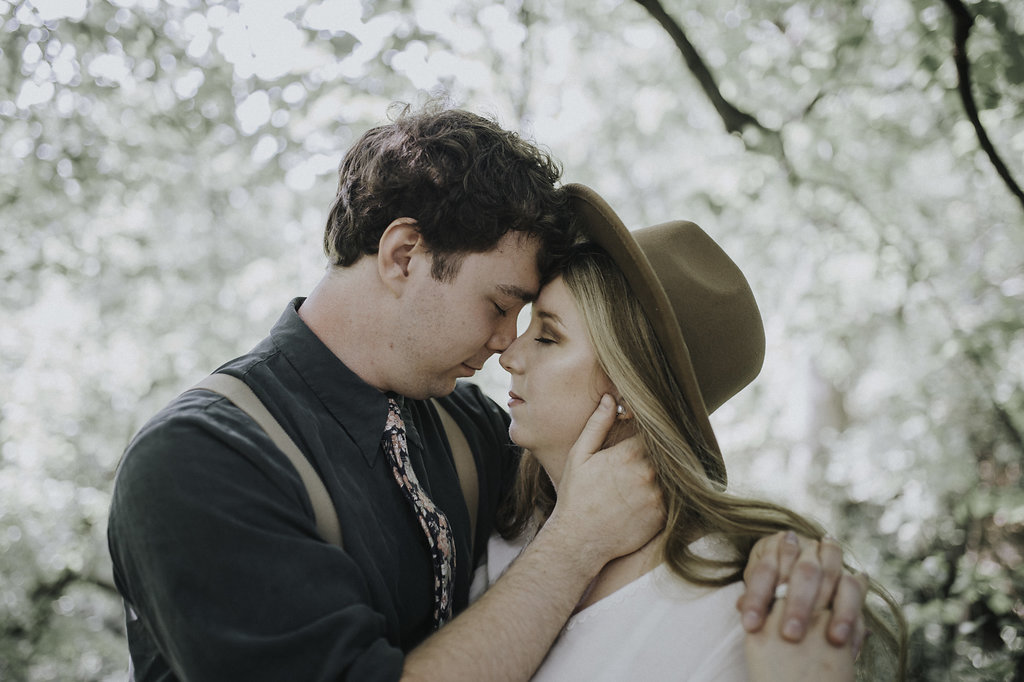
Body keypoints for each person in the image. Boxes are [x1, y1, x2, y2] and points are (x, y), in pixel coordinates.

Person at [108, 105, 867, 681]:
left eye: (536, 324)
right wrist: (573, 546)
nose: (508, 345)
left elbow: (635, 483)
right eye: (501, 306)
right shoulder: (200, 463)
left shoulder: (463, 425)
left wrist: (786, 563)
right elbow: (576, 532)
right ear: (404, 255)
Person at [493, 183, 907, 680]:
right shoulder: (504, 530)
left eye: (547, 336)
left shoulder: (736, 603)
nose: (509, 356)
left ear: (628, 386)